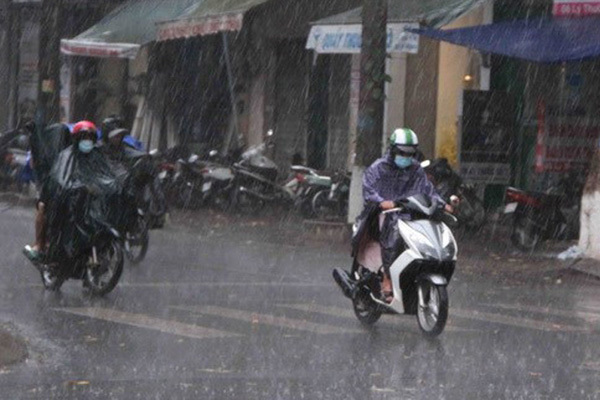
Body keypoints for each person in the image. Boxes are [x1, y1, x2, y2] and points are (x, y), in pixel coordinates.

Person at [362, 128, 453, 303]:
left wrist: (443, 204)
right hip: (384, 213)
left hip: (410, 213)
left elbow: (428, 191)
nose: (406, 157)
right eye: (402, 153)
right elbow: (368, 189)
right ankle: (387, 277)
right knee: (393, 232)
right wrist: (381, 202)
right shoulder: (378, 168)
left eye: (410, 153)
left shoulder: (416, 169)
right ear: (393, 150)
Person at [22, 122, 72, 262]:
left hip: (71, 191)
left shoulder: (72, 154)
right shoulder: (46, 153)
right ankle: (39, 244)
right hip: (50, 190)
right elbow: (36, 160)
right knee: (42, 208)